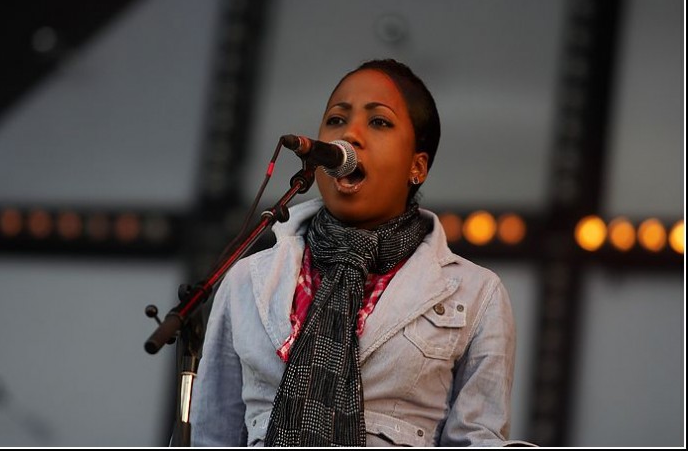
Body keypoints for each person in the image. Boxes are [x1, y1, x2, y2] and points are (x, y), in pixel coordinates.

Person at [190, 58, 526, 447]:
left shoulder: (475, 294)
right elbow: (210, 435)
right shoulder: (247, 279)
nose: (349, 135)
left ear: (417, 167)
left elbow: (477, 438)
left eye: (379, 122)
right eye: (336, 120)